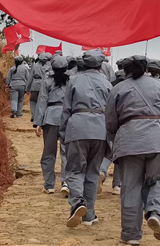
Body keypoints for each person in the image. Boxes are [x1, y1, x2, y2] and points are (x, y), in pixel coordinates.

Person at [105, 55, 160, 244]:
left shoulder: (118, 88)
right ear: (146, 69)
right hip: (158, 139)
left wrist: (115, 139)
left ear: (125, 71)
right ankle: (155, 213)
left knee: (130, 187)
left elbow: (111, 122)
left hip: (128, 140)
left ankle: (131, 235)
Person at [59, 51, 113, 227]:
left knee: (74, 170)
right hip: (100, 130)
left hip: (78, 128)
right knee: (92, 173)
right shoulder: (107, 83)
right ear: (100, 66)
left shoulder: (74, 80)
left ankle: (78, 202)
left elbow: (66, 109)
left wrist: (63, 133)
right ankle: (89, 216)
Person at [33, 55, 74, 196]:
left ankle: (49, 184)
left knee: (49, 153)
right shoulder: (71, 81)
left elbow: (42, 101)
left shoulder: (47, 81)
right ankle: (66, 182)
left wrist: (38, 122)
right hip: (67, 118)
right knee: (66, 152)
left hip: (50, 118)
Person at [29, 53, 51, 123]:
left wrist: (27, 88)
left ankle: (34, 115)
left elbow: (30, 77)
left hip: (35, 84)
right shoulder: (49, 67)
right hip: (44, 84)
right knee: (42, 101)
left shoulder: (35, 66)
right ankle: (40, 116)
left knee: (33, 101)